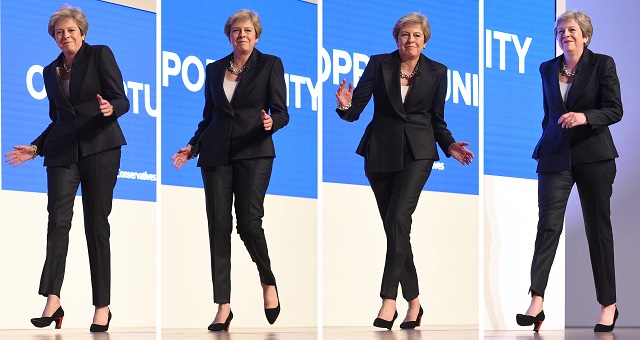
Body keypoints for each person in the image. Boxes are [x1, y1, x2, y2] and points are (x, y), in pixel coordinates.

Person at [335, 12, 474, 330]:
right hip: (380, 154)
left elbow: (437, 119)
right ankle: (415, 303)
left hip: (418, 153)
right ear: (396, 38)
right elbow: (355, 111)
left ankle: (388, 301)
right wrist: (345, 104)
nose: (410, 40)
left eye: (416, 36)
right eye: (404, 35)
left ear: (425, 41)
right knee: (396, 230)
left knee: (398, 220)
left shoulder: (438, 72)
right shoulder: (379, 63)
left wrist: (450, 145)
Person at [4, 4, 129, 333]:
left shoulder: (100, 55)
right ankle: (53, 299)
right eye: (59, 32)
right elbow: (59, 119)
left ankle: (102, 306)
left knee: (96, 225)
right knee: (57, 222)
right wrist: (35, 147)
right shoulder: (50, 72)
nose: (65, 36)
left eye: (71, 30)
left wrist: (110, 108)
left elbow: (122, 99)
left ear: (82, 33)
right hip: (61, 152)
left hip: (101, 147)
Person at [171, 9, 288, 332]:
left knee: (249, 223)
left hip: (255, 151)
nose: (242, 35)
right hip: (215, 154)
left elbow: (282, 112)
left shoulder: (271, 65)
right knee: (219, 228)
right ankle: (223, 306)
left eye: (248, 30)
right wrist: (193, 145)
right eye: (236, 31)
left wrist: (271, 123)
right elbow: (209, 117)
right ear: (229, 36)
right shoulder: (213, 70)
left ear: (257, 35)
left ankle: (267, 280)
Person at [516, 10, 622, 333]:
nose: (566, 35)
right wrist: (548, 138)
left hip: (594, 155)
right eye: (560, 30)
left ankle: (608, 305)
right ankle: (536, 301)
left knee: (597, 229)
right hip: (555, 154)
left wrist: (583, 117)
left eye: (572, 30)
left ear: (585, 36)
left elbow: (614, 109)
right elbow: (549, 114)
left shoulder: (602, 64)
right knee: (547, 226)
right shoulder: (547, 68)